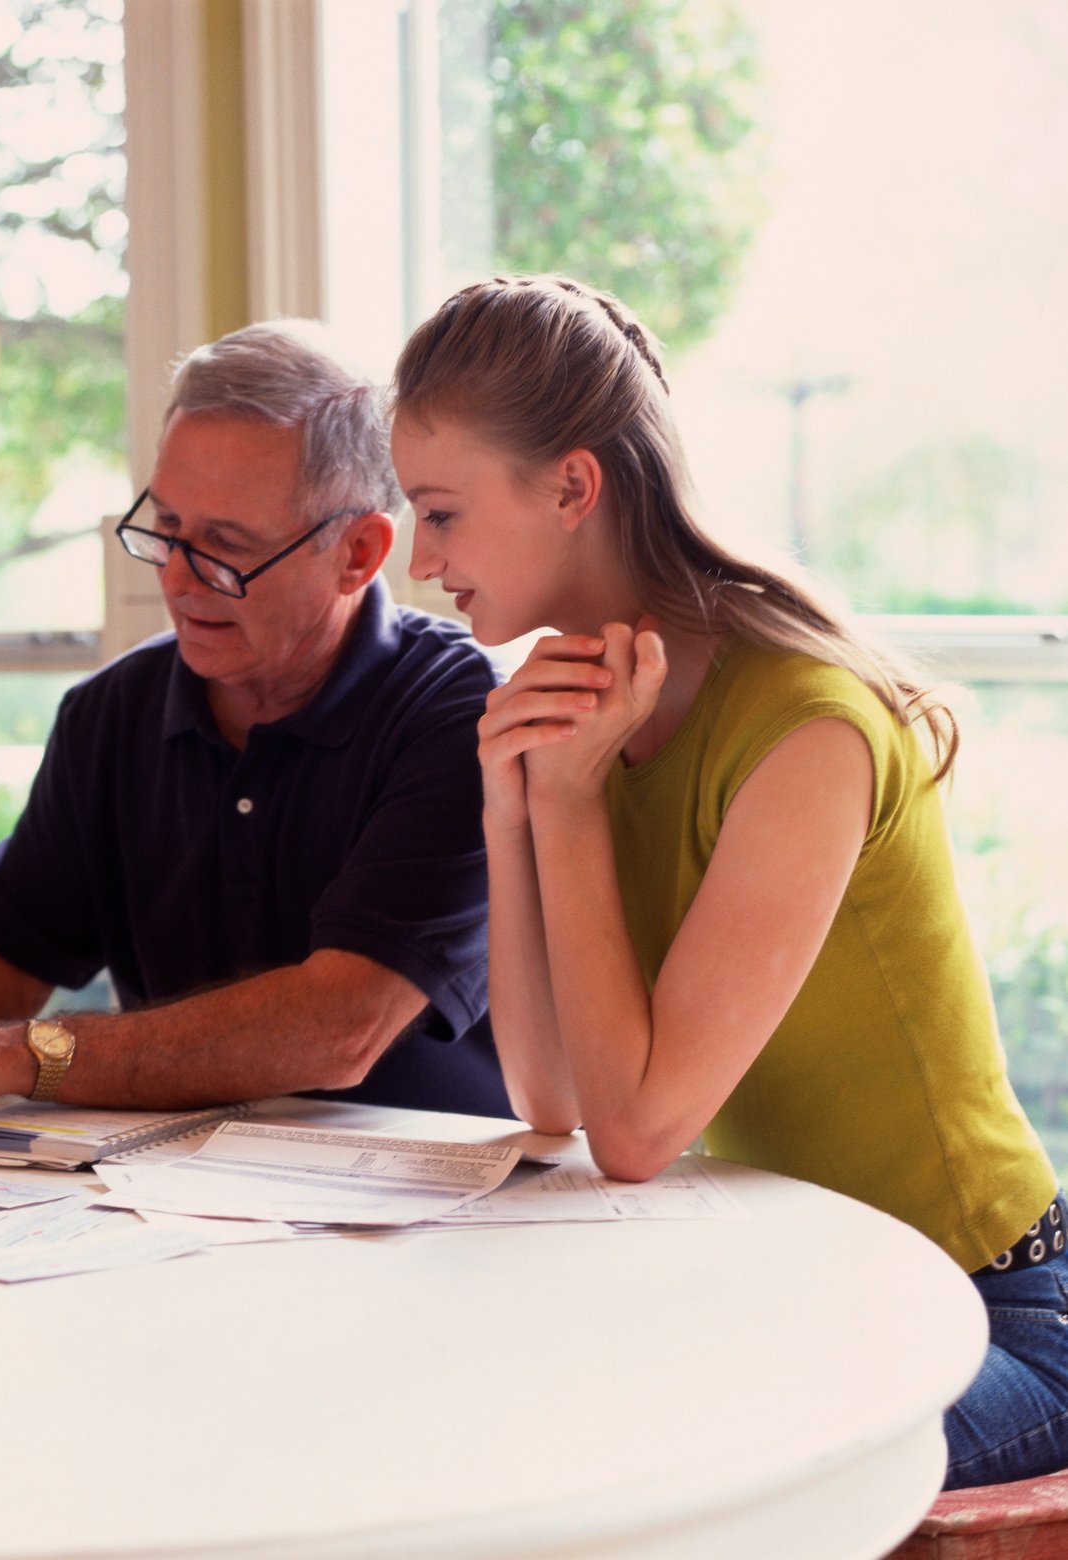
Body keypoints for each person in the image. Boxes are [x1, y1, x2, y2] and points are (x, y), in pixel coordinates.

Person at [387, 272, 1066, 1490]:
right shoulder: (578, 700)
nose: (419, 561)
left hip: (990, 1315)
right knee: (489, 1411)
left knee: (662, 1471)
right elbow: (550, 1100)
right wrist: (515, 799)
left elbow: (639, 1132)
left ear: (570, 487)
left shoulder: (804, 728)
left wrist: (576, 799)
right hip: (806, 1287)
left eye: (439, 513)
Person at [0, 321, 509, 1127]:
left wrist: (12, 1057)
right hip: (157, 1197)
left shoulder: (459, 714)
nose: (176, 577)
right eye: (167, 528)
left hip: (423, 1207)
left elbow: (340, 1025)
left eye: (226, 546)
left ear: (357, 553)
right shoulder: (113, 712)